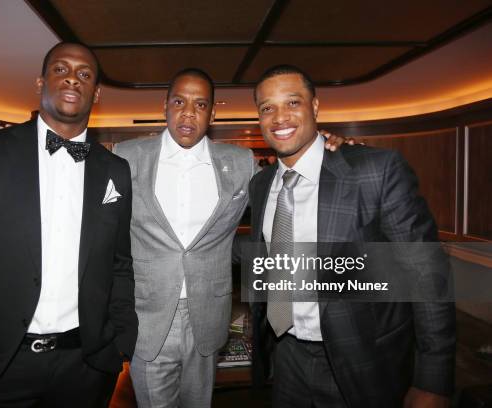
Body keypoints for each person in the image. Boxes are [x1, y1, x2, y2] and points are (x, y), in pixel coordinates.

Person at [114, 68, 349, 407]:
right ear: (165, 104)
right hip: (147, 318)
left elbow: (285, 191)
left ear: (212, 113)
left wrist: (327, 150)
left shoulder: (240, 162)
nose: (187, 113)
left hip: (208, 316)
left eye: (200, 104)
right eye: (179, 101)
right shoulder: (126, 155)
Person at [0, 42, 137, 407]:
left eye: (85, 74)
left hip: (84, 368)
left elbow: (120, 263)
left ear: (96, 93)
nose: (73, 78)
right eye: (61, 69)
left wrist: (120, 343)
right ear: (41, 81)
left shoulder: (115, 170)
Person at [248, 65, 455, 408]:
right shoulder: (261, 185)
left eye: (292, 102)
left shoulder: (375, 170)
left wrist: (433, 379)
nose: (279, 117)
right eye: (267, 107)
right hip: (286, 357)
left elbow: (427, 274)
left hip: (364, 360)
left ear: (314, 107)